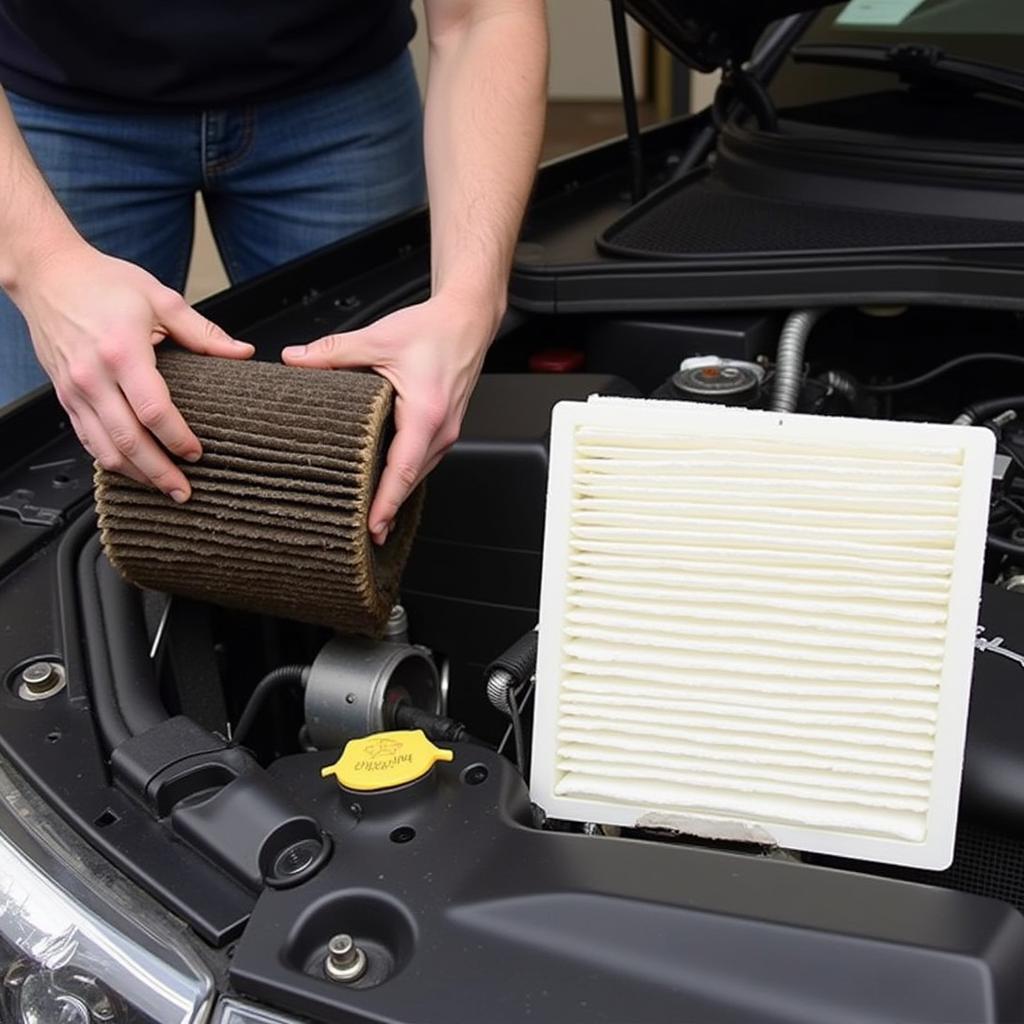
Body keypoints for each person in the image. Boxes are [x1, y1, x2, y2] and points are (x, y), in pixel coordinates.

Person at [0, 0, 547, 544]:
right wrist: (42, 264)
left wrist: (470, 301)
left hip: (337, 91)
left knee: (363, 468)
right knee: (58, 476)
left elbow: (485, 15)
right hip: (53, 101)